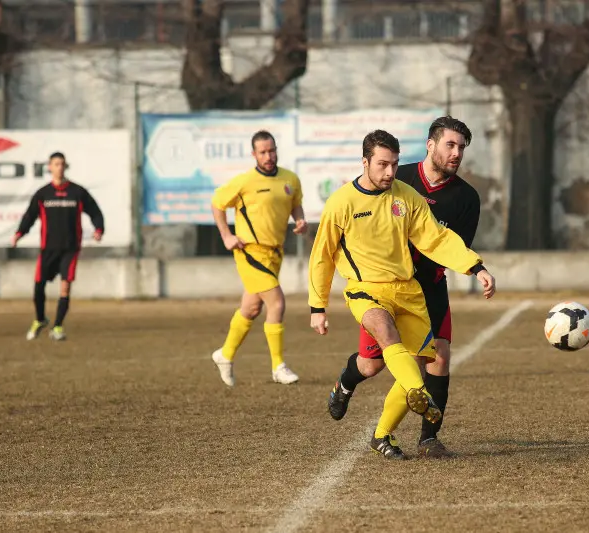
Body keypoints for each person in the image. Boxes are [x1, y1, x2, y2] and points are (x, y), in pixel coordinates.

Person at [308, 129, 495, 460]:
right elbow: (322, 256)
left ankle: (381, 435)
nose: (390, 173)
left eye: (394, 164)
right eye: (382, 165)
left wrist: (474, 267)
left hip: (408, 291)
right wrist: (317, 306)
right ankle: (418, 393)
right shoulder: (341, 203)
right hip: (365, 290)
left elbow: (436, 238)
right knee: (386, 335)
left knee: (419, 360)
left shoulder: (406, 196)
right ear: (365, 163)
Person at [211, 130, 307, 386]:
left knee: (251, 308)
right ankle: (278, 366)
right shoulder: (244, 182)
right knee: (276, 303)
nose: (269, 156)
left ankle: (225, 354)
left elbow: (295, 202)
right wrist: (226, 236)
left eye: (272, 150)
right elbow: (217, 204)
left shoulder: (290, 179)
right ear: (253, 154)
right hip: (250, 251)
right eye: (263, 152)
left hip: (275, 253)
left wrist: (299, 219)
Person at [12, 152, 105, 341]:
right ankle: (40, 319)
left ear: (65, 166)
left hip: (70, 249)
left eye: (62, 164)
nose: (59, 167)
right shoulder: (43, 194)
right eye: (56, 164)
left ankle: (58, 326)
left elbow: (95, 211)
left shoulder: (77, 192)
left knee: (65, 288)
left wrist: (99, 228)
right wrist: (19, 233)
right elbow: (29, 216)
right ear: (49, 167)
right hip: (48, 249)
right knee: (39, 286)